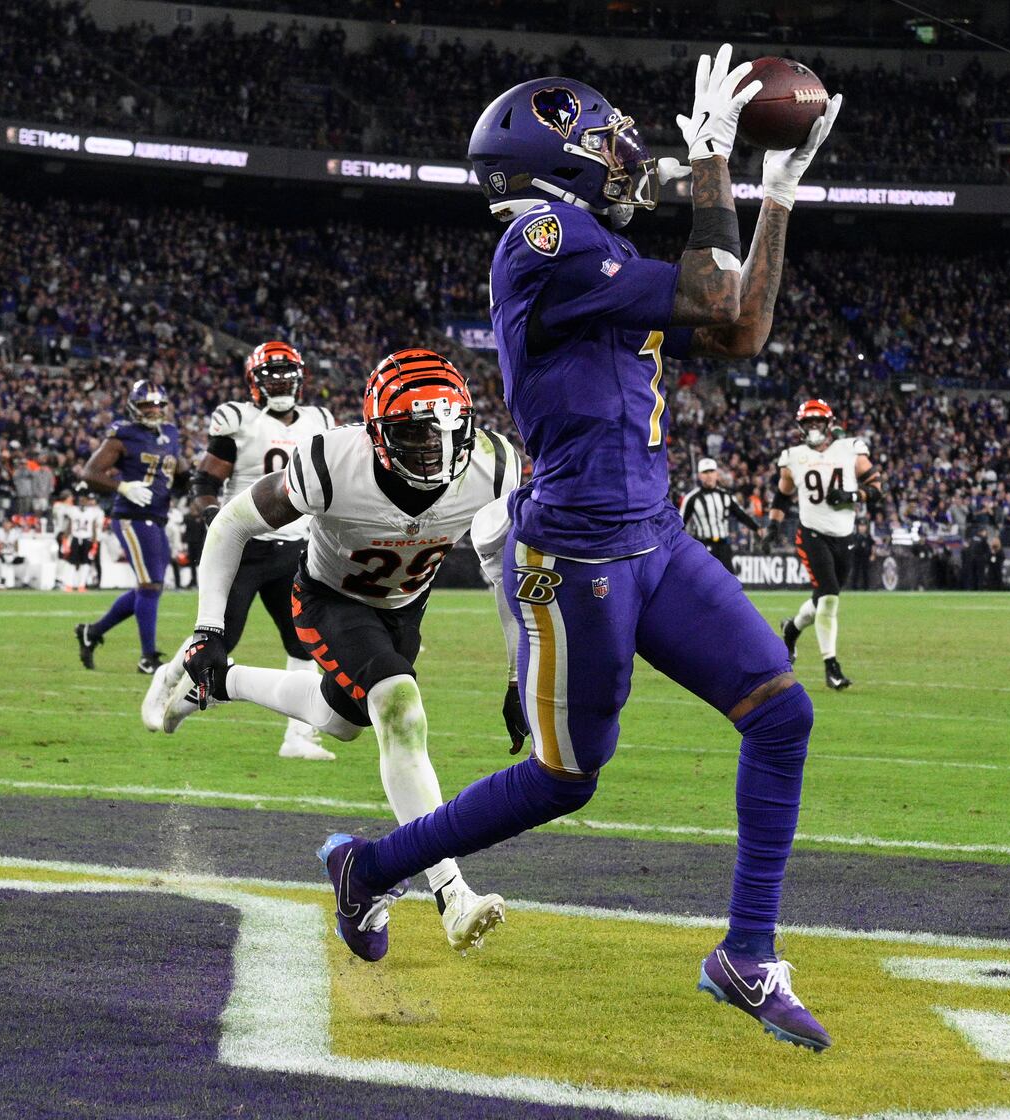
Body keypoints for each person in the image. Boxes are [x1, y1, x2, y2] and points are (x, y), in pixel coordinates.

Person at [296, 49, 842, 1051]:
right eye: (606, 141)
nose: (628, 155)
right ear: (552, 159)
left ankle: (746, 955)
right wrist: (715, 159)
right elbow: (718, 298)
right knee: (564, 776)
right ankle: (366, 868)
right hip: (578, 555)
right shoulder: (542, 240)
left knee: (781, 714)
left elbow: (743, 326)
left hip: (657, 537)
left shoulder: (588, 240)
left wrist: (774, 194)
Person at [172, 348, 515, 953]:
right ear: (377, 435)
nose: (434, 448)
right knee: (400, 710)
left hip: (404, 607)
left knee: (343, 722)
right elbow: (230, 524)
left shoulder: (495, 465)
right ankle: (451, 890)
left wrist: (519, 674)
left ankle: (220, 684)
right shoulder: (332, 463)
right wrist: (207, 627)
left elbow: (509, 571)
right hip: (331, 599)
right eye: (414, 434)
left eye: (447, 431)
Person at [142, 341, 337, 761]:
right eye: (272, 374)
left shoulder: (320, 419)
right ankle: (167, 679)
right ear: (254, 381)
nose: (281, 381)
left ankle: (297, 737)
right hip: (246, 547)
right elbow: (205, 482)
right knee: (220, 636)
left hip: (296, 548)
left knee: (304, 643)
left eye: (287, 374)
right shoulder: (239, 419)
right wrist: (214, 515)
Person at [74, 381, 187, 672]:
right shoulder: (122, 434)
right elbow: (89, 473)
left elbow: (182, 472)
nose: (153, 410)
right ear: (134, 406)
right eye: (147, 404)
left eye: (158, 404)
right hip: (131, 517)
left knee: (151, 587)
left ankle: (93, 632)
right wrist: (122, 486)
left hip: (158, 517)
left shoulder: (171, 433)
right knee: (150, 586)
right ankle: (148, 657)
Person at [772, 399, 882, 691]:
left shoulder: (849, 448)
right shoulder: (793, 456)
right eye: (807, 423)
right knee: (831, 597)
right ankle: (831, 667)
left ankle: (792, 628)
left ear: (829, 424)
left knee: (823, 597)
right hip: (812, 533)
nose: (813, 428)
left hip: (843, 535)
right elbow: (783, 494)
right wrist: (773, 525)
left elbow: (876, 487)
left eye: (817, 422)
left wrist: (851, 496)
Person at [679, 455, 761, 571]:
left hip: (724, 545)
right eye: (705, 472)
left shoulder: (726, 495)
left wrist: (757, 528)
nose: (709, 475)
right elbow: (680, 523)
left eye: (711, 471)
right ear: (699, 476)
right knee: (705, 580)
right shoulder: (692, 498)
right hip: (704, 545)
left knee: (729, 581)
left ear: (717, 474)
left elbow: (741, 515)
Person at [68, 487, 105, 594]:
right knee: (73, 562)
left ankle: (85, 584)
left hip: (89, 539)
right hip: (77, 537)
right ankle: (71, 583)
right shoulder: (74, 510)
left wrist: (94, 542)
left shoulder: (96, 512)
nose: (88, 502)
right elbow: (70, 524)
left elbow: (95, 526)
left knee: (89, 562)